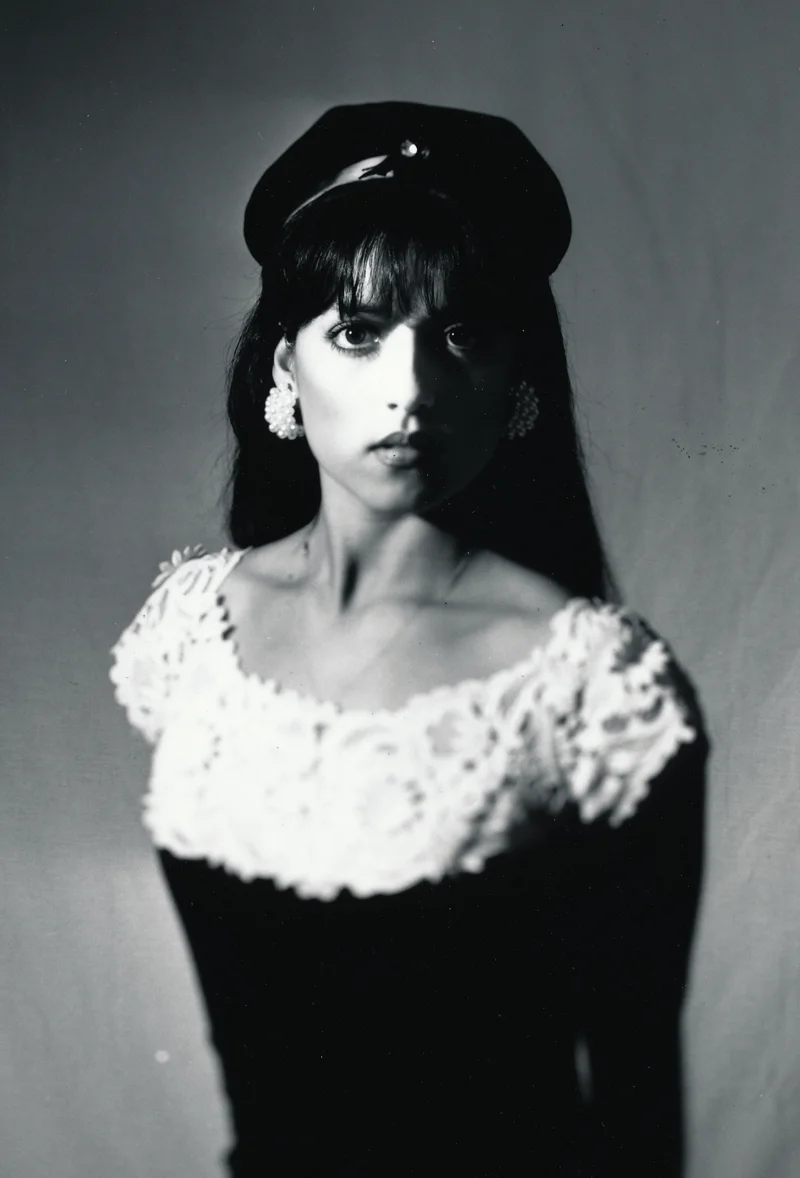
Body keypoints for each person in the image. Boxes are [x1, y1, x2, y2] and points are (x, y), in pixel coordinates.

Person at [109, 102, 708, 1178]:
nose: (410, 389)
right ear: (282, 369)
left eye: (462, 333)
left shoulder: (596, 684)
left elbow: (634, 1098)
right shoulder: (188, 630)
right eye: (357, 331)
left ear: (518, 383)